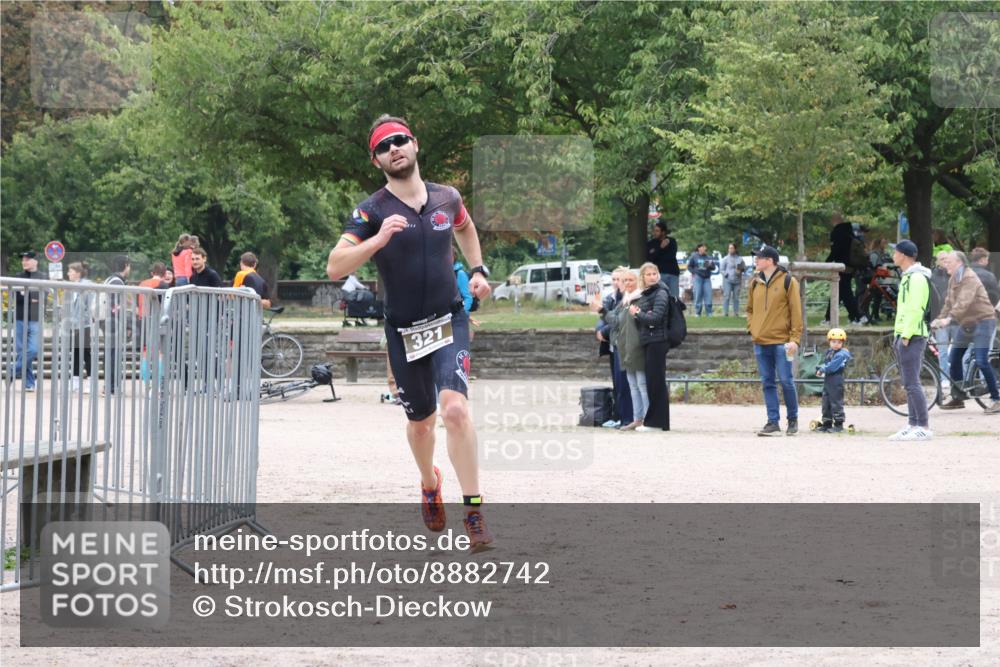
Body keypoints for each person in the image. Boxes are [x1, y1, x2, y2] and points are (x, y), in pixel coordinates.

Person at [325, 114, 493, 549]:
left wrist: (477, 269)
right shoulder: (371, 211)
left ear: (415, 144)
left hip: (448, 318)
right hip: (403, 330)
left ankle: (473, 509)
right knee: (421, 425)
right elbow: (334, 265)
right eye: (384, 146)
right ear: (377, 160)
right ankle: (429, 481)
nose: (394, 148)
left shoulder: (446, 197)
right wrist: (376, 240)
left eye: (400, 140)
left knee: (455, 410)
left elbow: (466, 227)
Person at [931, 251, 1000, 414]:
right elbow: (948, 302)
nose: (946, 265)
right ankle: (958, 396)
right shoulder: (954, 278)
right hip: (967, 323)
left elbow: (964, 302)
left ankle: (997, 399)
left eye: (949, 262)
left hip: (984, 322)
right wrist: (939, 319)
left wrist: (949, 319)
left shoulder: (969, 278)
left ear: (959, 263)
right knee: (954, 358)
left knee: (982, 360)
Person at [747, 245, 802, 436]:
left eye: (758, 257)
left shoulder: (789, 281)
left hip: (782, 342)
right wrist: (752, 329)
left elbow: (796, 312)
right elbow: (750, 310)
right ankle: (773, 422)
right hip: (760, 342)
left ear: (770, 260)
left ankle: (792, 420)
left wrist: (795, 339)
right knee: (767, 382)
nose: (755, 260)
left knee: (787, 381)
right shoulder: (754, 282)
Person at [888, 240, 934, 440]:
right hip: (905, 334)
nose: (892, 255)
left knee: (913, 382)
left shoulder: (916, 279)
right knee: (908, 382)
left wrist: (906, 334)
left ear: (904, 255)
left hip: (913, 335)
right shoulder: (908, 277)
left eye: (895, 252)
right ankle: (912, 423)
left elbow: (916, 308)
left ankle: (922, 425)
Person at [630, 263, 670, 431]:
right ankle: (658, 422)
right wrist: (642, 315)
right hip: (649, 340)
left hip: (657, 341)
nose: (652, 276)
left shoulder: (660, 292)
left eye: (655, 273)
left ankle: (655, 423)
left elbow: (655, 319)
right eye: (649, 274)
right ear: (643, 277)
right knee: (653, 382)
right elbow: (648, 318)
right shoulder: (648, 293)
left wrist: (638, 313)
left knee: (656, 382)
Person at [596, 267, 633, 429]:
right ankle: (618, 415)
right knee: (617, 383)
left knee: (624, 383)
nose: (617, 283)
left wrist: (604, 331)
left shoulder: (626, 298)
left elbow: (618, 320)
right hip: (612, 344)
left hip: (622, 343)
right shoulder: (610, 297)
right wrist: (599, 330)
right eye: (614, 279)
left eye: (620, 279)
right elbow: (602, 318)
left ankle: (626, 417)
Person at [611, 270, 646, 431]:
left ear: (637, 281)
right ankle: (637, 419)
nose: (627, 283)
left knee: (642, 384)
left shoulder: (641, 298)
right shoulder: (624, 300)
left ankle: (648, 418)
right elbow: (615, 321)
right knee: (632, 385)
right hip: (624, 347)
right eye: (624, 281)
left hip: (637, 347)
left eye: (631, 280)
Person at [823, 212, 864, 324]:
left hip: (841, 267)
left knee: (844, 293)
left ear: (833, 220)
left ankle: (857, 317)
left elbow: (836, 250)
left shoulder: (837, 232)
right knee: (842, 292)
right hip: (850, 267)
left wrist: (827, 262)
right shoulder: (849, 232)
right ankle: (831, 317)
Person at [11, 251, 43, 391]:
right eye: (23, 259)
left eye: (28, 259)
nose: (24, 262)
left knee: (33, 349)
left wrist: (26, 295)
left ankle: (12, 371)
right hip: (19, 317)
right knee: (22, 351)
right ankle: (29, 383)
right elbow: (17, 298)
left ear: (35, 261)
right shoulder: (18, 276)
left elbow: (43, 297)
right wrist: (31, 297)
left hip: (35, 318)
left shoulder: (43, 277)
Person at [65, 262, 96, 392]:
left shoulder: (87, 285)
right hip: (74, 324)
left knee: (86, 353)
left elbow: (91, 305)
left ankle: (90, 382)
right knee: (77, 352)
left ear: (77, 273)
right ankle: (76, 382)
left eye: (70, 271)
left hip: (85, 324)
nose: (68, 274)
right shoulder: (72, 287)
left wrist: (85, 319)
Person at [814, 328, 853, 432]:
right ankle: (827, 423)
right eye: (833, 342)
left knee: (836, 402)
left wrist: (822, 369)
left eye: (839, 342)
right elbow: (827, 364)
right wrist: (820, 367)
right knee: (826, 402)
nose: (836, 344)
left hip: (836, 380)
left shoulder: (841, 354)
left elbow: (832, 367)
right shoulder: (830, 352)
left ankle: (839, 425)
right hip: (828, 380)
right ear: (829, 342)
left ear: (843, 343)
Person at [103, 255, 131, 396]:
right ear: (126, 265)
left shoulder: (109, 279)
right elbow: (117, 306)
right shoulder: (117, 282)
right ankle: (112, 386)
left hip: (108, 321)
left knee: (110, 353)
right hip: (114, 322)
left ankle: (110, 385)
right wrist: (127, 325)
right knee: (114, 354)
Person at [646, 221, 680, 298]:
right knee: (660, 297)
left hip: (672, 274)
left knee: (674, 298)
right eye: (654, 230)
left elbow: (671, 256)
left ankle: (674, 310)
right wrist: (660, 248)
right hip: (659, 274)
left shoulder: (671, 241)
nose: (654, 233)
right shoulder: (651, 244)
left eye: (657, 231)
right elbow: (650, 258)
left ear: (663, 232)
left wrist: (656, 252)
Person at [687, 243, 716, 317]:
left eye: (705, 247)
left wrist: (710, 265)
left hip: (707, 278)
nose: (704, 248)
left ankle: (709, 313)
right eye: (702, 247)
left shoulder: (709, 257)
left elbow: (714, 268)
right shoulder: (694, 256)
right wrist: (694, 273)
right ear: (699, 248)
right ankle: (697, 313)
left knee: (708, 295)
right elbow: (689, 266)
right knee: (698, 294)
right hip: (698, 278)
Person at [719, 243, 746, 317]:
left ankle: (736, 313)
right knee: (726, 296)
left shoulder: (740, 258)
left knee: (736, 297)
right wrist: (726, 275)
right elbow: (721, 269)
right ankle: (725, 313)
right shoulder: (725, 259)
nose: (730, 249)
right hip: (728, 281)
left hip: (737, 281)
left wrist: (741, 270)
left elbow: (744, 268)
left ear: (735, 249)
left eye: (732, 248)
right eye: (729, 248)